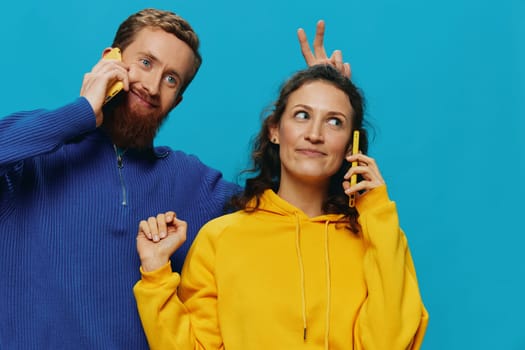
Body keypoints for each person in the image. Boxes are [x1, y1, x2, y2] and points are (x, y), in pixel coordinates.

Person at [0, 7, 346, 349]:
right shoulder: (33, 156)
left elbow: (291, 213)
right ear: (111, 59)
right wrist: (82, 112)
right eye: (146, 63)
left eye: (170, 79)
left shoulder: (192, 182)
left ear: (177, 101)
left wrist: (324, 102)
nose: (152, 86)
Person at [134, 64, 429, 349]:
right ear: (275, 130)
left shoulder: (377, 238)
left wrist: (377, 209)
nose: (315, 133)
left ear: (351, 146)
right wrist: (156, 274)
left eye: (334, 121)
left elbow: (391, 342)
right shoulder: (221, 238)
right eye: (302, 115)